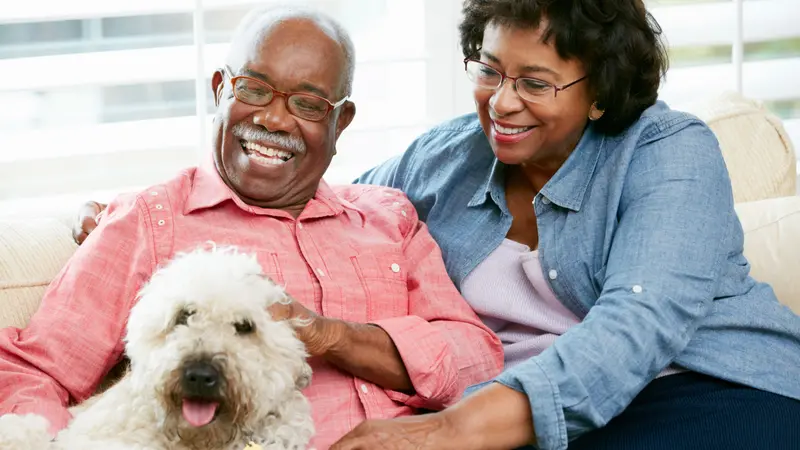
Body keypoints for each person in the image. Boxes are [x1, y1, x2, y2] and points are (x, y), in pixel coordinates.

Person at [75, 1, 800, 449]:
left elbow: (632, 335)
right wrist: (142, 211)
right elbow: (321, 208)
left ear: (603, 93)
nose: (502, 103)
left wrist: (445, 432)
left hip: (705, 393)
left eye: (536, 82)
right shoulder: (449, 155)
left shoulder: (669, 153)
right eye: (489, 70)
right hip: (530, 426)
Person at [0, 7, 504, 450]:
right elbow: (33, 371)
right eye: (254, 88)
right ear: (221, 89)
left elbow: (479, 358)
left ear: (341, 121)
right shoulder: (149, 221)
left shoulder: (388, 217)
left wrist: (333, 337)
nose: (274, 119)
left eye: (307, 104)